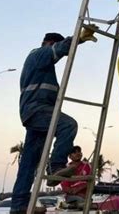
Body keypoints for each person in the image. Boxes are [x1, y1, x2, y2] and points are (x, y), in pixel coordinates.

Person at [11, 27, 98, 214]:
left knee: (29, 163)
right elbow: (58, 50)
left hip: (36, 114)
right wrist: (78, 39)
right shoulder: (38, 54)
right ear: (49, 43)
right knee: (68, 125)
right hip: (37, 110)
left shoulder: (44, 68)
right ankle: (56, 166)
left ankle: (19, 206)